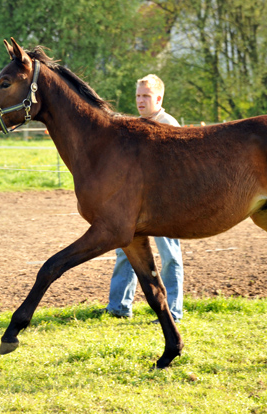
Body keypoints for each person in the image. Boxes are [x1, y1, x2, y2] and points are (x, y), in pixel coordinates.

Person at [105, 74, 184, 322]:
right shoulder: (137, 125)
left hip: (166, 205)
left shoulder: (169, 126)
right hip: (137, 205)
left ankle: (173, 311)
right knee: (125, 251)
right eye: (138, 96)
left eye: (146, 96)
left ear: (159, 98)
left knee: (170, 256)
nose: (141, 100)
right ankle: (118, 307)